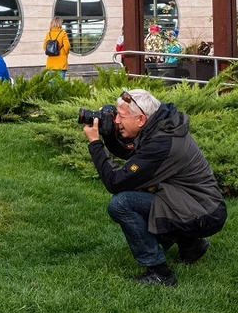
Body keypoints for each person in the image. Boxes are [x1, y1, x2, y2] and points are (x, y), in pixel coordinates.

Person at [83, 89, 227, 287]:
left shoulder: (162, 144)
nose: (116, 121)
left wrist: (95, 143)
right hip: (200, 205)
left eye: (121, 117)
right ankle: (191, 245)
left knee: (122, 204)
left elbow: (115, 182)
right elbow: (132, 155)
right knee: (144, 187)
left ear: (141, 119)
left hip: (203, 214)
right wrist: (109, 135)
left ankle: (160, 273)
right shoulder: (161, 127)